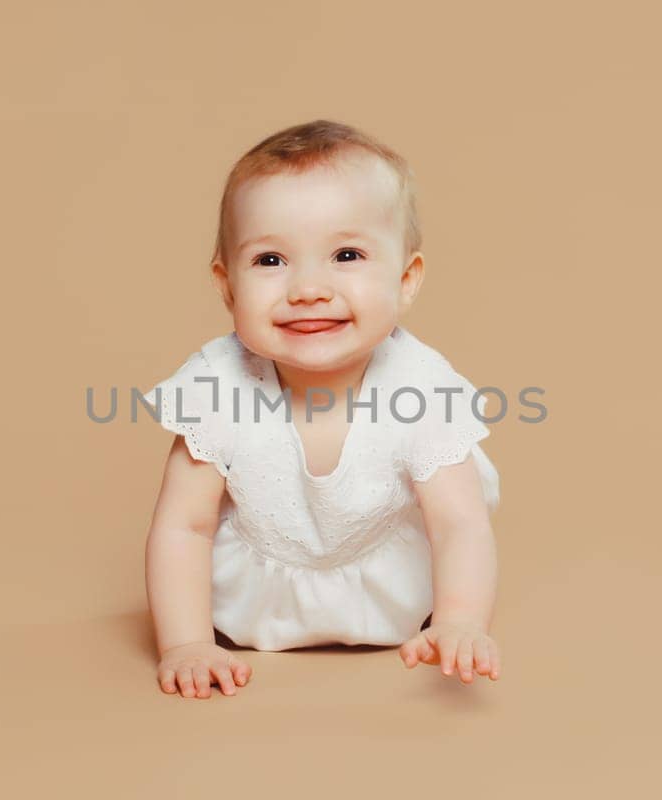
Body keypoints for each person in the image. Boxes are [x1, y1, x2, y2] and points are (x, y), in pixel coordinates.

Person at [143, 120, 502, 699]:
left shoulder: (423, 386)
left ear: (406, 280)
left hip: (396, 603)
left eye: (347, 254)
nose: (308, 287)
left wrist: (461, 621)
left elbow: (459, 524)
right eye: (270, 261)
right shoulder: (215, 385)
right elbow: (184, 526)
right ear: (226, 285)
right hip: (248, 609)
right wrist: (184, 642)